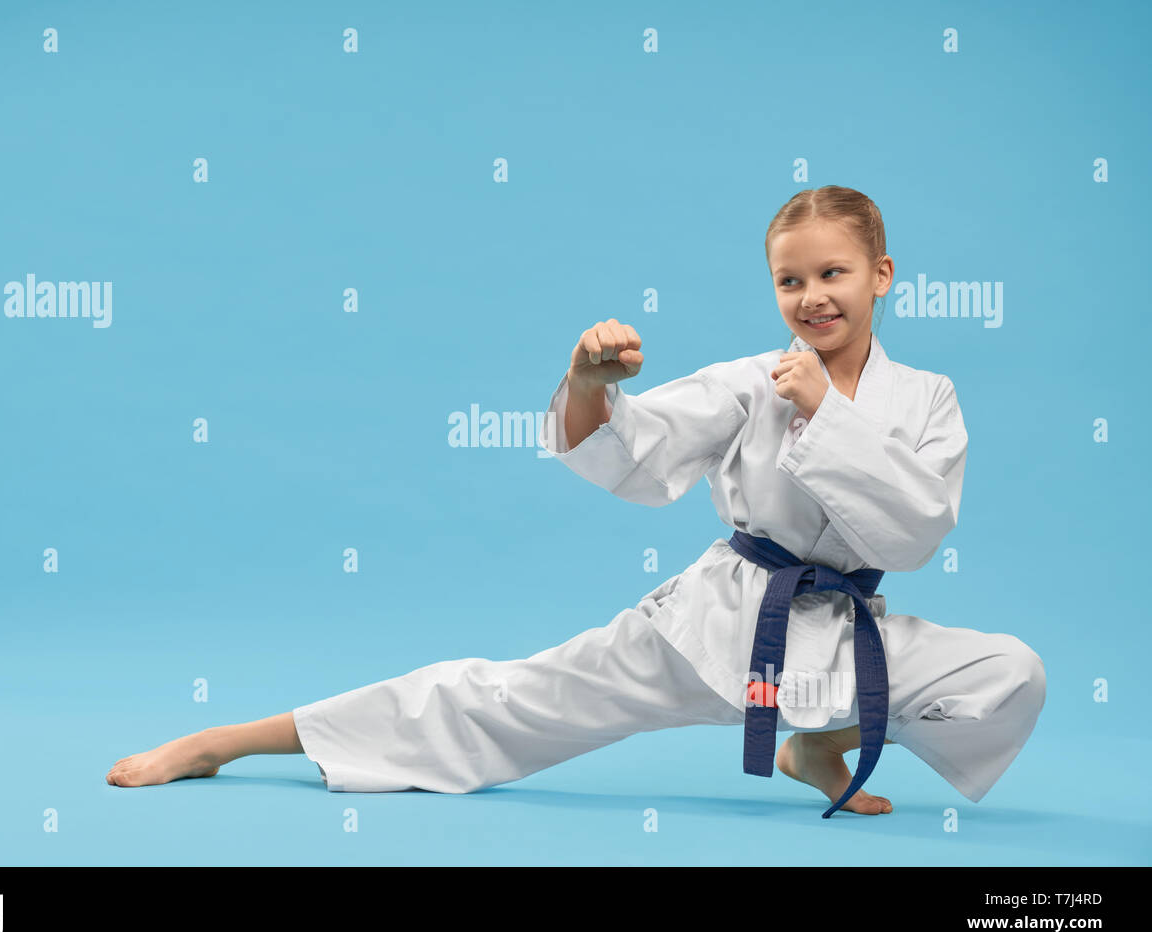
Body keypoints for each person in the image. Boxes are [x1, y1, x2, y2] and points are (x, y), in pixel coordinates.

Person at [106, 186, 1045, 816]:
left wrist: (828, 419)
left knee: (1009, 672)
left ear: (882, 276)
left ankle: (815, 747)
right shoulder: (754, 378)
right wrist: (589, 381)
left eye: (833, 274)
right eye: (789, 280)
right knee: (504, 698)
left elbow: (918, 529)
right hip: (717, 625)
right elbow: (637, 450)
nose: (811, 297)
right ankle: (229, 740)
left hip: (842, 635)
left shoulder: (927, 398)